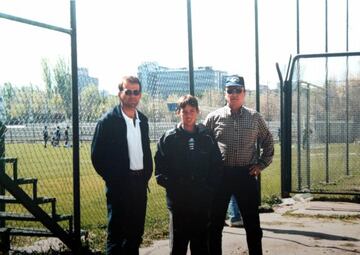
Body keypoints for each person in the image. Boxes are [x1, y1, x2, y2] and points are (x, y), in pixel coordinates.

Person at [204, 75, 274, 255]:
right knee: (214, 224)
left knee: (252, 225)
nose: (233, 94)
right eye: (230, 90)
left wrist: (261, 164)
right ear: (225, 93)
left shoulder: (254, 117)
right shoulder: (213, 117)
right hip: (221, 176)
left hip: (246, 174)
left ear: (244, 93)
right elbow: (203, 145)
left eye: (237, 90)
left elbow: (268, 141)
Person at [91, 76, 153, 255]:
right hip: (119, 186)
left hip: (139, 184)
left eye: (136, 92)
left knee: (135, 234)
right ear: (120, 94)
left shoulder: (143, 120)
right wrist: (114, 179)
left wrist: (146, 174)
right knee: (117, 235)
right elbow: (97, 156)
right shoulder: (108, 121)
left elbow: (145, 150)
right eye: (128, 92)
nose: (132, 96)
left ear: (140, 95)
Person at [155, 95, 222, 255]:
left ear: (198, 112)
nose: (188, 114)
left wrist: (209, 189)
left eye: (192, 111)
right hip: (179, 202)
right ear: (178, 112)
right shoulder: (169, 138)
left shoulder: (206, 136)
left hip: (201, 200)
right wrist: (174, 188)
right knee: (178, 244)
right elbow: (160, 170)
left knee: (200, 245)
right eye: (184, 111)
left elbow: (216, 165)